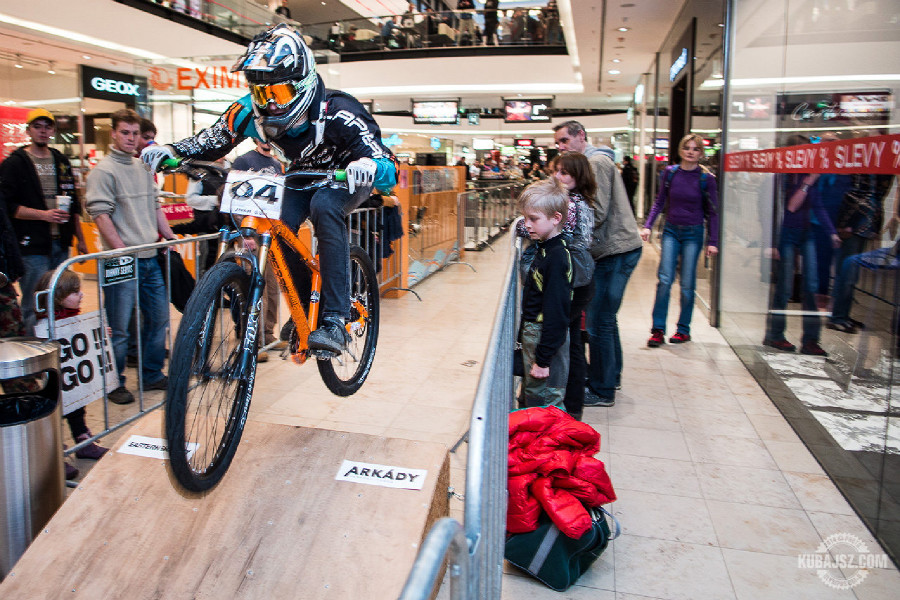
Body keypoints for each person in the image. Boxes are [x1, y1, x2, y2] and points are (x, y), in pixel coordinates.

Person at [141, 25, 397, 355]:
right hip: (301, 177)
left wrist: (371, 166)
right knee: (276, 223)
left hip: (346, 177)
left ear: (303, 84)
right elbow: (211, 139)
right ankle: (304, 309)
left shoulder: (340, 110)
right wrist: (172, 150)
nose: (272, 104)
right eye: (263, 94)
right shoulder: (249, 110)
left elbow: (387, 163)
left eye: (280, 92)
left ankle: (335, 319)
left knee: (325, 206)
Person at [87, 108, 176, 405]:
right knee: (120, 327)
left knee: (159, 319)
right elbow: (100, 215)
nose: (130, 138)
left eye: (135, 133)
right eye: (125, 132)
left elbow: (155, 206)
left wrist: (169, 236)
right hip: (121, 260)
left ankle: (151, 374)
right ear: (113, 133)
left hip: (149, 257)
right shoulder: (103, 171)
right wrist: (121, 250)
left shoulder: (144, 168)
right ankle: (115, 382)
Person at [553, 120, 642, 408]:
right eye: (558, 143)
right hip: (615, 250)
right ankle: (610, 377)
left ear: (581, 136)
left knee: (598, 321)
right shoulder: (592, 163)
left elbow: (597, 211)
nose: (561, 147)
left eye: (564, 140)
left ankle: (602, 389)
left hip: (614, 251)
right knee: (606, 319)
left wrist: (563, 224)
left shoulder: (596, 163)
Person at [0, 108, 87, 334]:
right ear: (28, 130)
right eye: (37, 127)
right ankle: (34, 351)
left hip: (60, 243)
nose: (42, 131)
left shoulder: (61, 161)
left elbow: (73, 203)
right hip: (32, 246)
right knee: (35, 304)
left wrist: (80, 238)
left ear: (53, 131)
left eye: (47, 127)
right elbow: (8, 208)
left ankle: (59, 347)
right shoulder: (14, 164)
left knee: (61, 300)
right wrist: (44, 215)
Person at [641, 134, 719, 347]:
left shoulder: (707, 179)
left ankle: (683, 330)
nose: (690, 152)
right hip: (671, 231)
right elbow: (659, 202)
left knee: (687, 284)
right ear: (681, 150)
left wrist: (713, 240)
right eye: (687, 148)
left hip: (694, 233)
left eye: (695, 149)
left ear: (701, 153)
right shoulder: (670, 173)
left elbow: (713, 212)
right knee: (665, 279)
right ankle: (658, 330)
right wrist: (648, 225)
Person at [34, 268, 109, 464]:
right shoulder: (46, 323)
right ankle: (53, 453)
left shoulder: (72, 316)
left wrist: (99, 334)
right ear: (59, 297)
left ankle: (82, 439)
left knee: (77, 406)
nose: (81, 295)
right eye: (75, 292)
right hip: (52, 382)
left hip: (70, 378)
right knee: (52, 413)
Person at [763, 167, 839, 356]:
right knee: (785, 287)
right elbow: (792, 207)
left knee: (811, 287)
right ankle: (774, 334)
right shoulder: (787, 177)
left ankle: (810, 340)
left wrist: (832, 232)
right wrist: (808, 182)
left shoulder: (809, 176)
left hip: (807, 233)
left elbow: (818, 206)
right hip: (786, 234)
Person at [231, 140, 288, 360]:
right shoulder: (243, 161)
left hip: (270, 233)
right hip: (251, 233)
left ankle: (267, 333)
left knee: (272, 286)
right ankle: (251, 340)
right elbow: (235, 198)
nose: (267, 141)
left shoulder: (276, 164)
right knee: (254, 287)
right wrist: (244, 234)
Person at [518, 178, 573, 408]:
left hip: (544, 339)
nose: (527, 225)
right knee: (534, 398)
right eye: (525, 218)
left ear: (556, 218)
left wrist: (543, 359)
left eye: (533, 219)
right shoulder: (544, 249)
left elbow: (557, 313)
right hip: (536, 335)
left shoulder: (557, 257)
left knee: (546, 404)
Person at [551, 152, 596, 420]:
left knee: (567, 343)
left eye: (564, 172)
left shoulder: (570, 204)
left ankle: (569, 404)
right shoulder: (579, 201)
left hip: (572, 279)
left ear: (578, 176)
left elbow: (552, 233)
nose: (558, 176)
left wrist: (523, 223)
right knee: (574, 341)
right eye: (556, 171)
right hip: (579, 278)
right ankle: (573, 406)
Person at [827, 173, 895, 333]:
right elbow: (850, 189)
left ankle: (842, 314)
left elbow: (877, 194)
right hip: (854, 220)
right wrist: (844, 223)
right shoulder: (864, 165)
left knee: (851, 274)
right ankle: (838, 317)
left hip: (864, 220)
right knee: (847, 274)